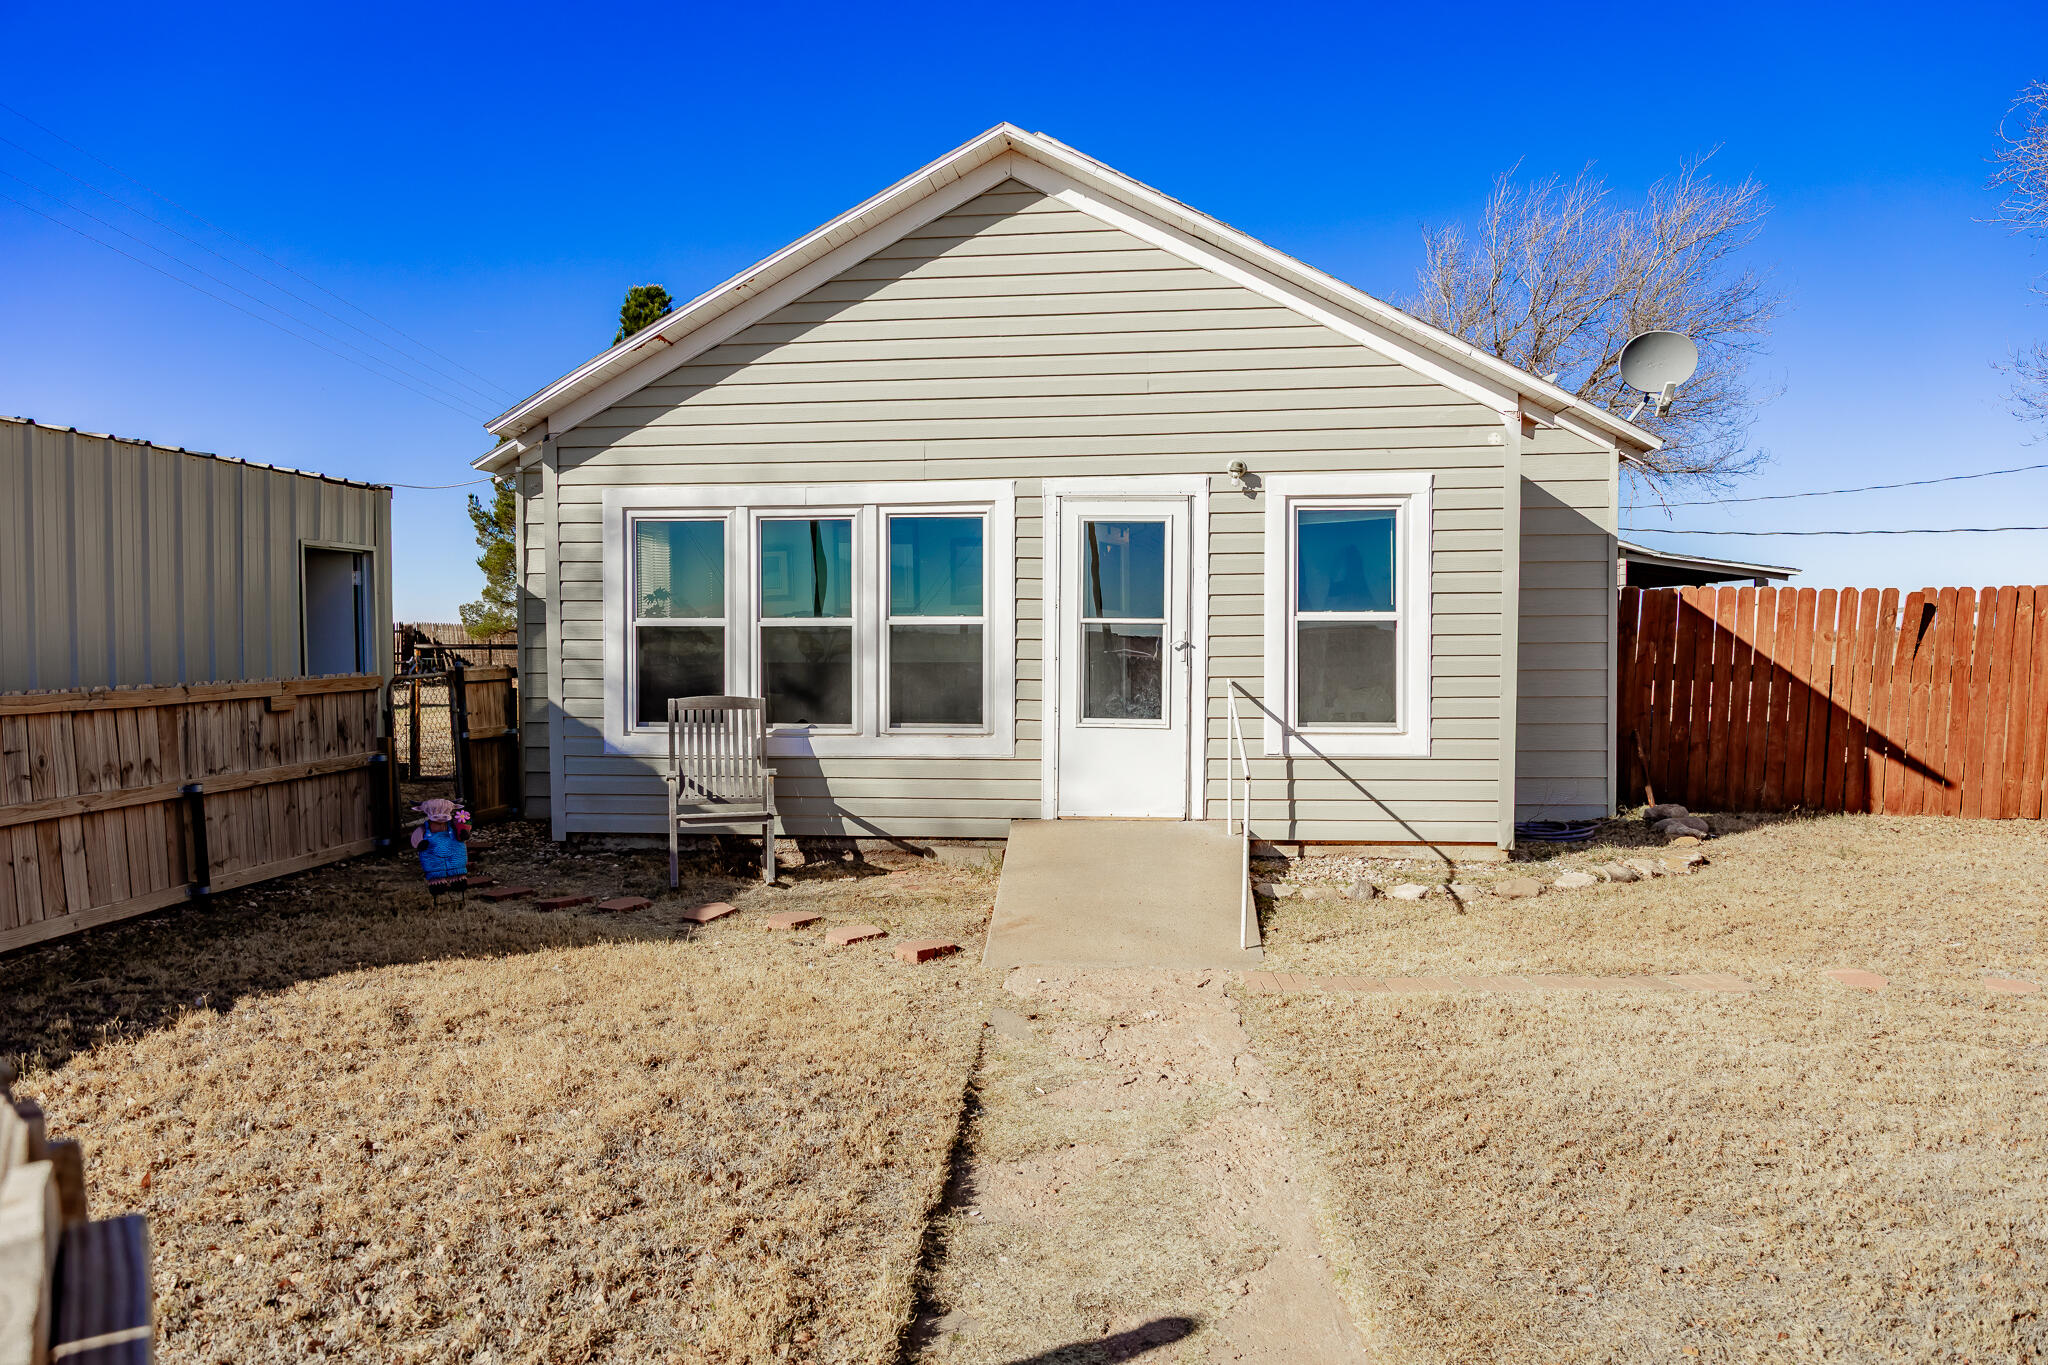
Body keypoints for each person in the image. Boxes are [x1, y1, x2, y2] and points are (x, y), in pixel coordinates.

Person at [410, 798, 471, 896]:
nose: (441, 816)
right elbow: (416, 837)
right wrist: (419, 843)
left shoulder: (453, 825)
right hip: (433, 855)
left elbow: (462, 833)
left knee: (457, 864)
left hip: (454, 852)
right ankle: (437, 883)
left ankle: (458, 879)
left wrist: (463, 833)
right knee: (434, 868)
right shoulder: (424, 828)